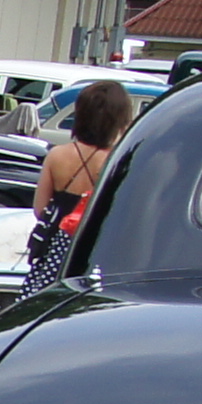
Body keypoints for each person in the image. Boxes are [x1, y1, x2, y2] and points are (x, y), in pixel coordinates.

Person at [19, 77, 131, 297]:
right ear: (119, 119)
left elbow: (40, 209)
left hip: (56, 253)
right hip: (98, 254)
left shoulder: (57, 156)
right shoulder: (117, 162)